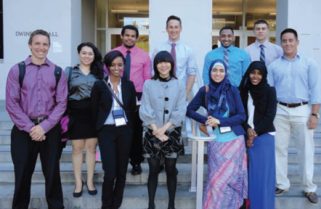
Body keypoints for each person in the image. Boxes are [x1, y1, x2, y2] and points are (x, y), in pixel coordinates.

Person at [5, 29, 67, 209]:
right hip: (23, 131)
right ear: (30, 45)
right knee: (22, 175)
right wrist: (31, 128)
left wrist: (44, 127)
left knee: (52, 174)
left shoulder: (57, 72)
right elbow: (11, 103)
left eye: (45, 44)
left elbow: (62, 103)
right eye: (37, 43)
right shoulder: (17, 70)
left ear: (49, 46)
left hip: (50, 130)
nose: (41, 47)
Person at [268, 28, 321, 204]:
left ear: (297, 42)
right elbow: (269, 91)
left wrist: (315, 114)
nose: (288, 43)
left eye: (291, 40)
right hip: (280, 110)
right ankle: (282, 184)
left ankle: (309, 187)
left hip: (302, 110)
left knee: (306, 150)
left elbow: (316, 90)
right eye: (284, 40)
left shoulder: (309, 63)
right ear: (281, 43)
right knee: (279, 149)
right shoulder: (274, 66)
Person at [187, 59, 247, 209]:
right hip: (216, 141)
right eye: (215, 70)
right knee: (216, 181)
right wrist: (207, 120)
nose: (218, 74)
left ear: (226, 72)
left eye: (221, 71)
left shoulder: (232, 90)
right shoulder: (205, 90)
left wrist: (219, 121)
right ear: (210, 72)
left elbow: (241, 116)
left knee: (232, 180)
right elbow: (189, 110)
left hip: (234, 141)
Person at [139, 51, 186, 209]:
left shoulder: (179, 84)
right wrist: (155, 129)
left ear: (171, 64)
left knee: (171, 168)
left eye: (166, 62)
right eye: (160, 62)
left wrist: (164, 130)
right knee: (153, 169)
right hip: (152, 131)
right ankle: (151, 204)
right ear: (155, 65)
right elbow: (145, 107)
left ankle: (171, 204)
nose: (163, 65)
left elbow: (180, 109)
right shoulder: (148, 84)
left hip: (172, 132)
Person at [91, 50, 136, 209]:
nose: (117, 68)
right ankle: (106, 205)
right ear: (107, 66)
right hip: (106, 131)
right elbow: (94, 109)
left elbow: (132, 110)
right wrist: (96, 131)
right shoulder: (99, 85)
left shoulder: (129, 85)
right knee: (110, 172)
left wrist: (131, 130)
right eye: (113, 65)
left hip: (124, 131)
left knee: (122, 172)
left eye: (120, 65)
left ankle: (116, 204)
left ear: (124, 66)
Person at [113, 25, 151, 175]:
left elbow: (147, 79)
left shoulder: (144, 55)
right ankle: (118, 161)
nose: (129, 38)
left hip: (137, 96)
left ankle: (136, 162)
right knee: (118, 128)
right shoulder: (113, 53)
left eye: (132, 35)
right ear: (122, 36)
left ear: (136, 38)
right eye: (127, 35)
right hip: (117, 94)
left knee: (136, 130)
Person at [66, 42, 104, 197]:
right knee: (76, 149)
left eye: (90, 53)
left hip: (93, 114)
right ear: (79, 54)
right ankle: (78, 182)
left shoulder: (99, 73)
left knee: (91, 149)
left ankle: (89, 181)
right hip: (75, 113)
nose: (87, 56)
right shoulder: (69, 72)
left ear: (94, 56)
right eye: (84, 53)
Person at [239, 61, 277, 209]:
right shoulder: (242, 90)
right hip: (245, 136)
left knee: (262, 178)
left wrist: (254, 133)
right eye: (253, 73)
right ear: (248, 73)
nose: (255, 76)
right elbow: (240, 114)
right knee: (247, 178)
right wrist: (248, 129)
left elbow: (270, 115)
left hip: (264, 137)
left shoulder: (270, 91)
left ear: (264, 75)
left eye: (259, 73)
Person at [154, 15, 197, 99]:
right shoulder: (158, 49)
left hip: (181, 91)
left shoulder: (188, 50)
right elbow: (153, 71)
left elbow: (192, 74)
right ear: (166, 29)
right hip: (162, 91)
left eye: (176, 27)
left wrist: (185, 94)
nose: (173, 30)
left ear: (181, 29)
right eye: (171, 27)